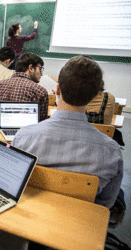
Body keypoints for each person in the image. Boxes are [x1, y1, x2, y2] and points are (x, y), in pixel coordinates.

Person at [11, 56, 123, 209]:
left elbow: (14, 183)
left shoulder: (23, 137)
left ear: (57, 89)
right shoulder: (112, 152)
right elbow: (105, 205)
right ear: (95, 95)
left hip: (30, 214)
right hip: (79, 223)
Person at [0, 53, 48, 121]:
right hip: (25, 131)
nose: (41, 73)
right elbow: (42, 123)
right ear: (31, 68)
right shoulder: (40, 91)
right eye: (40, 69)